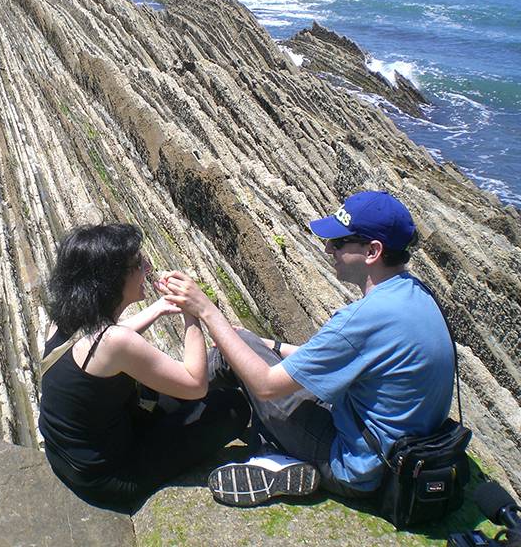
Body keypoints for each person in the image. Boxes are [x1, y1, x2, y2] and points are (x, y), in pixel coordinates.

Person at [159, 191, 454, 506]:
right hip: (397, 454)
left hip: (356, 467)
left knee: (239, 351)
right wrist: (268, 344)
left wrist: (206, 310)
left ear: (373, 251)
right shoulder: (417, 296)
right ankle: (269, 450)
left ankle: (162, 404)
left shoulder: (365, 319)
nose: (328, 248)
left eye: (338, 242)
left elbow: (266, 385)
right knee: (246, 346)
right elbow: (330, 359)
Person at [38, 223, 248, 510]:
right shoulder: (115, 342)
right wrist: (192, 313)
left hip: (68, 456)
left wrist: (160, 307)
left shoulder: (64, 320)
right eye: (138, 264)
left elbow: (100, 340)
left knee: (169, 390)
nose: (147, 268)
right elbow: (195, 385)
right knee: (232, 405)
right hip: (110, 477)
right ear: (111, 279)